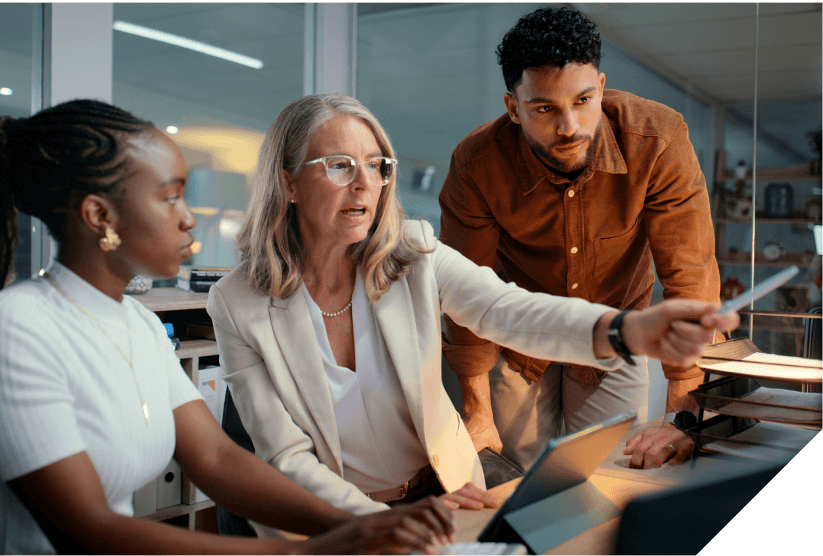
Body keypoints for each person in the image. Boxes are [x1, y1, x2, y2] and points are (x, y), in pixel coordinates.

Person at [0, 99, 457, 555]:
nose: (189, 217)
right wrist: (312, 548)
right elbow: (89, 531)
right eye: (169, 196)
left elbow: (216, 461)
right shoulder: (11, 326)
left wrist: (356, 524)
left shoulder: (138, 326)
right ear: (101, 216)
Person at [205, 94, 737, 539]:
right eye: (340, 165)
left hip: (442, 495)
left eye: (376, 164)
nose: (365, 182)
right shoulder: (237, 303)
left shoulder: (414, 255)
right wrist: (385, 525)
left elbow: (511, 310)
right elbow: (286, 457)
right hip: (329, 526)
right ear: (289, 182)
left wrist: (625, 329)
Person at [438, 6, 722, 473]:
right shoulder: (476, 165)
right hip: (517, 335)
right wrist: (477, 412)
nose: (569, 126)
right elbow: (465, 290)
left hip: (618, 325)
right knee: (521, 481)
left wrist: (683, 415)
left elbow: (689, 275)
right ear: (514, 108)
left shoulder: (658, 140)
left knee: (613, 472)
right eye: (545, 109)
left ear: (602, 88)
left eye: (584, 101)